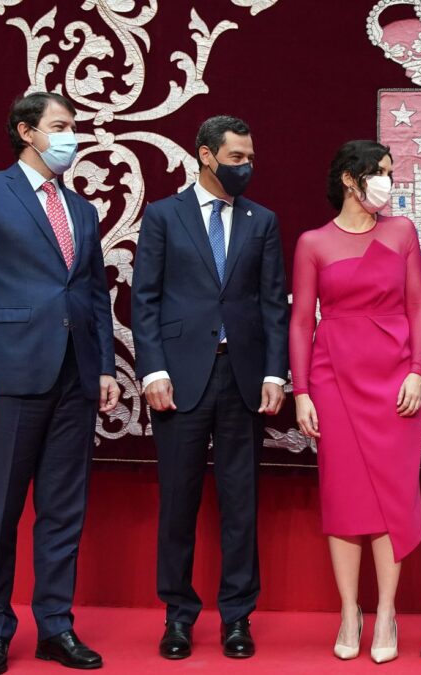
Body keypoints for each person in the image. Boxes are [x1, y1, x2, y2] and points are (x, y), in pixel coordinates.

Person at [0, 91, 120, 674]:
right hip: (11, 372)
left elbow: (93, 293)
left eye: (74, 126)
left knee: (64, 510)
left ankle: (55, 628)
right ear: (27, 131)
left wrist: (103, 367)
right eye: (61, 126)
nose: (72, 136)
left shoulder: (82, 209)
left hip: (75, 374)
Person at [131, 115, 289, 660]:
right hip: (178, 378)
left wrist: (275, 372)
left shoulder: (262, 220)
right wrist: (152, 370)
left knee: (240, 504)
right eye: (237, 157)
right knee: (178, 502)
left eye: (250, 158)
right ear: (206, 155)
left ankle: (238, 618)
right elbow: (144, 299)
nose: (246, 166)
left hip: (243, 377)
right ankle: (177, 616)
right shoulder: (163, 216)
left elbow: (273, 303)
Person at [289, 140, 421, 664]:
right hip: (333, 379)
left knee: (394, 494)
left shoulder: (402, 232)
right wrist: (302, 390)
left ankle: (387, 610)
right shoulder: (313, 243)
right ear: (351, 178)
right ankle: (351, 609)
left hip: (395, 378)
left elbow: (418, 304)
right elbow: (302, 320)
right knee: (344, 496)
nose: (388, 182)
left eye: (391, 172)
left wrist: (417, 371)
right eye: (380, 172)